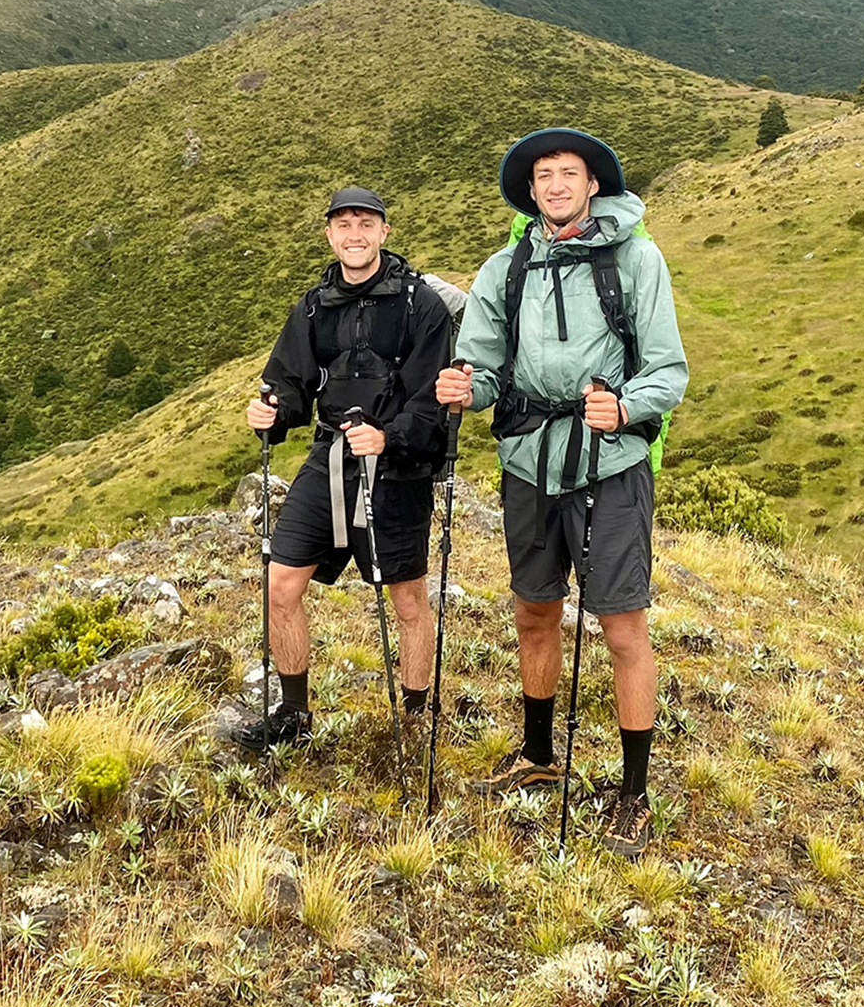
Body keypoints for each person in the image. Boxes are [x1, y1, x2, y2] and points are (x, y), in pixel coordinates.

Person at [435, 129, 687, 857]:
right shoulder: (506, 268)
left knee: (621, 626)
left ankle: (634, 794)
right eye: (543, 175)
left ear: (592, 184)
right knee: (534, 610)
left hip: (610, 464)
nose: (555, 185)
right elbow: (485, 368)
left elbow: (668, 370)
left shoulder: (635, 259)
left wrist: (626, 406)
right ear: (531, 190)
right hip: (528, 463)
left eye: (568, 173)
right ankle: (540, 755)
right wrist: (466, 388)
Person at [232, 187, 455, 750]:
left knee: (407, 599)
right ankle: (294, 714)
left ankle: (414, 718)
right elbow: (290, 381)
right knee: (280, 584)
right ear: (329, 234)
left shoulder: (421, 305)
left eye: (365, 224)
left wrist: (389, 437)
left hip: (398, 468)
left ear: (384, 232)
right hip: (329, 459)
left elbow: (432, 396)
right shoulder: (313, 307)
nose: (355, 235)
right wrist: (272, 411)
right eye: (344, 225)